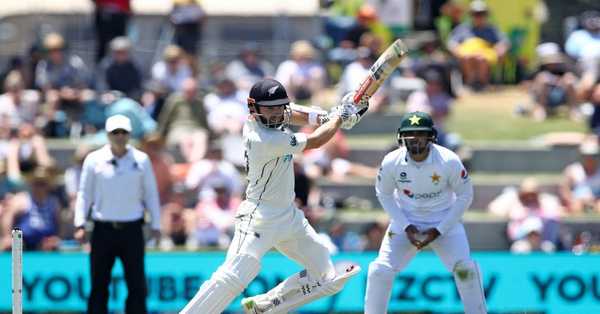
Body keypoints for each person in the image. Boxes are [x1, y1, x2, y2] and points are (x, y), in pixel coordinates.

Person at [180, 78, 365, 313]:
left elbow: (293, 112)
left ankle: (267, 305)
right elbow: (317, 140)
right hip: (259, 217)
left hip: (289, 216)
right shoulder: (264, 138)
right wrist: (339, 117)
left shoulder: (268, 117)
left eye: (280, 106)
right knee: (232, 277)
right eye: (270, 108)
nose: (277, 113)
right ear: (253, 108)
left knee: (327, 278)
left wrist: (327, 117)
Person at [364, 111, 487, 314]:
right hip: (406, 220)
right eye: (409, 134)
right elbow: (383, 194)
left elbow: (465, 196)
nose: (414, 139)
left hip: (444, 221)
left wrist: (439, 230)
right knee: (380, 270)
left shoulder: (449, 160)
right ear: (401, 136)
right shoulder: (391, 162)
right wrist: (406, 226)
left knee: (466, 269)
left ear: (431, 136)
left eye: (420, 133)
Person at [73, 114, 161, 314]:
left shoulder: (141, 160)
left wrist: (156, 224)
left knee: (137, 285)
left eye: (124, 132)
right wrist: (79, 223)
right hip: (103, 229)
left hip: (132, 229)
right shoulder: (94, 160)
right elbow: (84, 194)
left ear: (130, 134)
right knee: (99, 284)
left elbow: (151, 194)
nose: (120, 136)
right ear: (107, 134)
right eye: (115, 132)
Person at [447, 0, 509, 91]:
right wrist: (456, 50)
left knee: (481, 59)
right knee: (467, 57)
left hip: (486, 53)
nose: (479, 17)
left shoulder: (492, 29)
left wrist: (500, 48)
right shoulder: (463, 28)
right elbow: (452, 42)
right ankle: (470, 83)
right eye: (476, 14)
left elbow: (503, 41)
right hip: (467, 53)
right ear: (471, 15)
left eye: (482, 14)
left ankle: (482, 84)